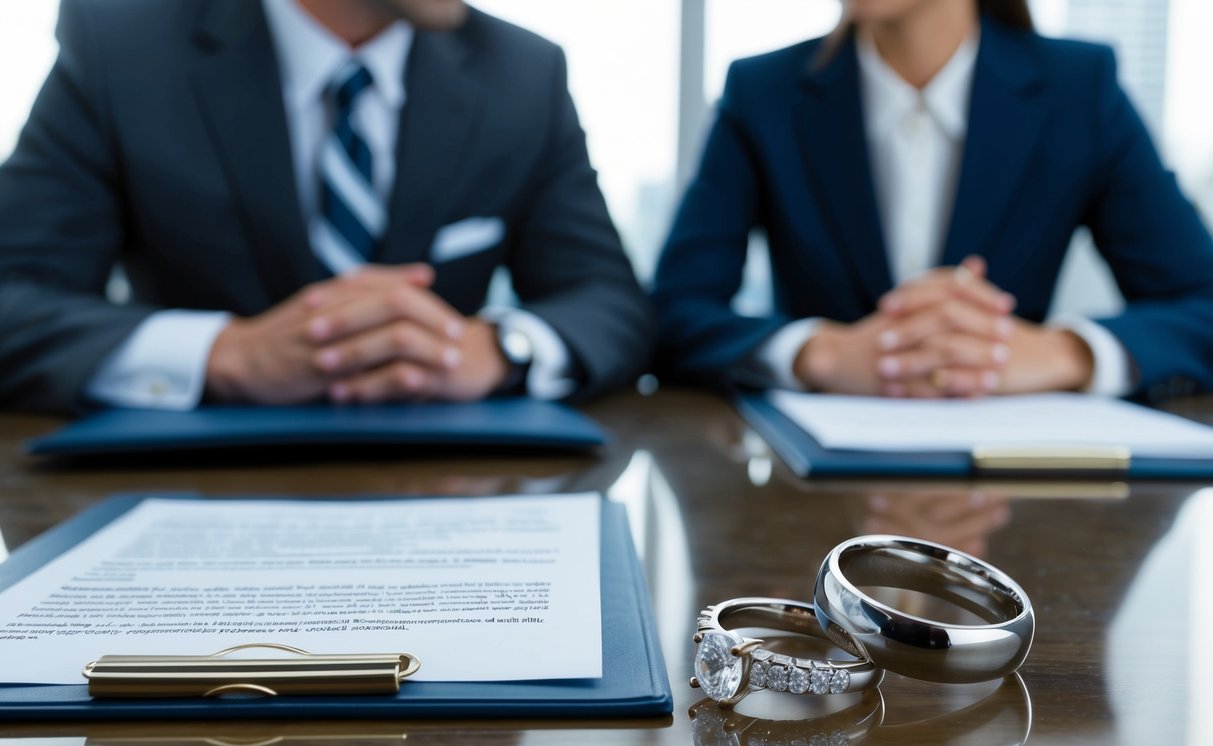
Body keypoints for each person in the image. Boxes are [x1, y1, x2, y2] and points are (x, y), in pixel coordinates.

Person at [0, 0, 653, 414]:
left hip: (450, 498)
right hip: (187, 492)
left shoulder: (522, 72)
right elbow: (13, 298)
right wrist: (224, 354)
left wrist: (494, 348)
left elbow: (609, 302)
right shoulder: (120, 45)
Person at [653, 0, 1213, 402]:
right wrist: (819, 353)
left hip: (1017, 488)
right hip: (813, 495)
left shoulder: (1079, 89)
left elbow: (1201, 302)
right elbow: (673, 313)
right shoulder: (762, 93)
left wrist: (1063, 353)